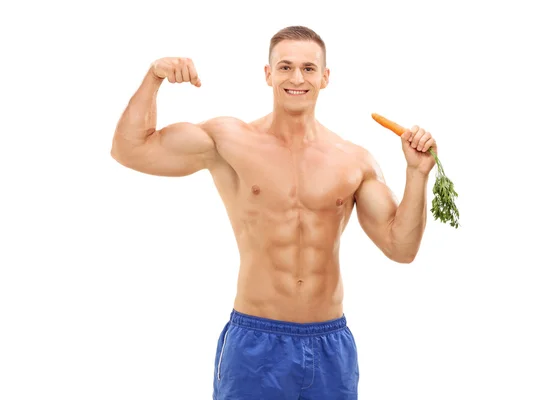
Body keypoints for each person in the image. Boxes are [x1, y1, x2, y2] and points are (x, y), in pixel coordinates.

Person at [111, 25, 437, 400]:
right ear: (268, 74)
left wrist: (416, 174)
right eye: (284, 67)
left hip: (330, 344)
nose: (296, 77)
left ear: (325, 78)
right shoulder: (230, 140)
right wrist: (154, 78)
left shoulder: (354, 161)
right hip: (255, 343)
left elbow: (401, 247)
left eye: (309, 68)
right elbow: (129, 149)